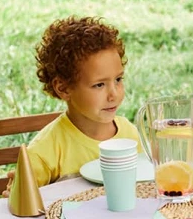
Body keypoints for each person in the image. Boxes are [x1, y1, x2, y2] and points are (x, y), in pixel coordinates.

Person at [8, 16, 140, 195]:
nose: (114, 94)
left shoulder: (130, 135)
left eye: (118, 80)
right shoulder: (45, 150)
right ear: (63, 88)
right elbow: (23, 200)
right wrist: (17, 194)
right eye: (99, 85)